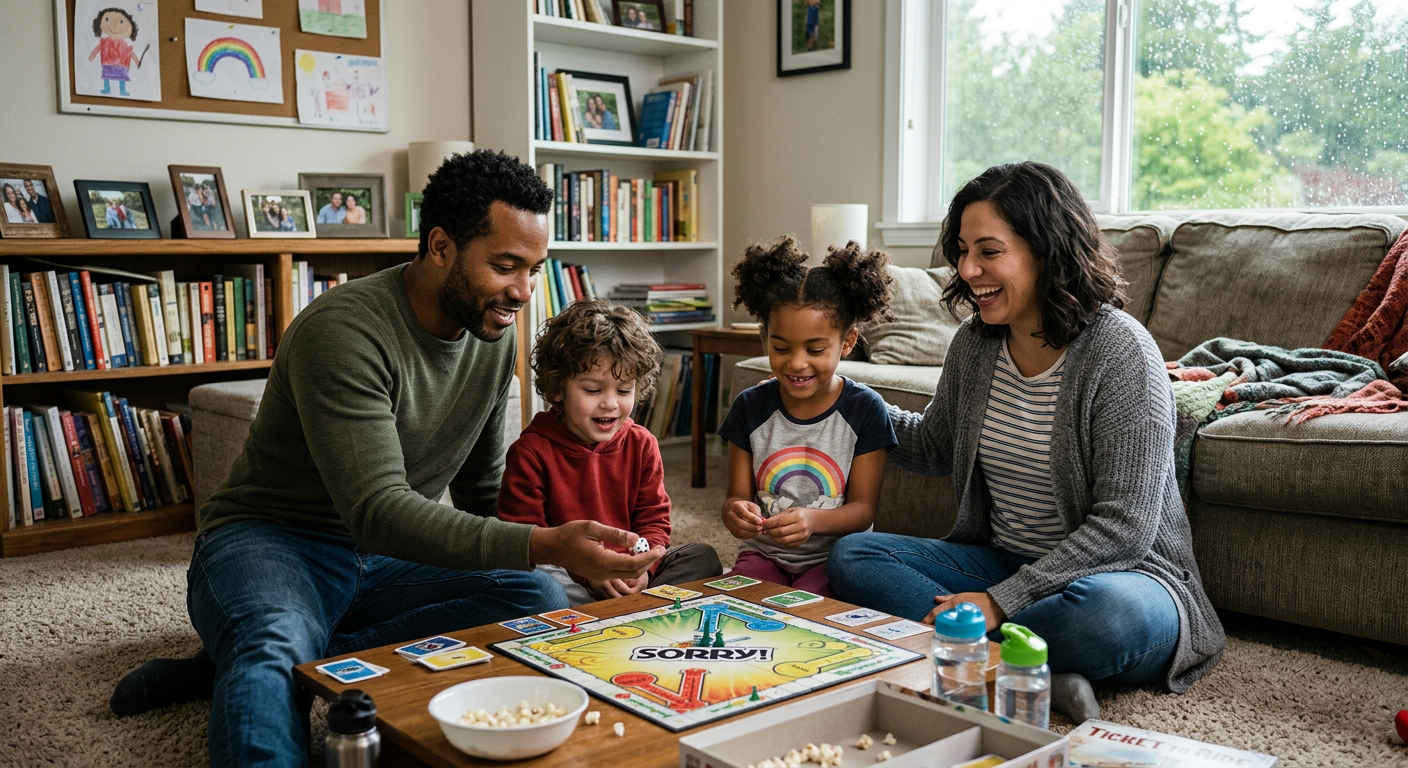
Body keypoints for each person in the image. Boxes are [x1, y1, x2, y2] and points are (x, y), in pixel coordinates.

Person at [108, 150, 665, 766]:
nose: (523, 292)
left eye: (534, 269)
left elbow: (483, 492)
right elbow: (377, 509)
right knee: (272, 640)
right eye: (506, 266)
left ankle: (268, 656)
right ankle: (264, 649)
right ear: (440, 246)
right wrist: (550, 543)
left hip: (387, 560)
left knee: (534, 597)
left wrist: (565, 560)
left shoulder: (490, 335)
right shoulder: (344, 331)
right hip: (273, 538)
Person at [826, 162, 1226, 723]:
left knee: (1105, 618)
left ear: (1047, 249)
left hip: (1130, 577)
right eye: (962, 250)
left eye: (988, 251)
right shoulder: (974, 343)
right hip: (1005, 560)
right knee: (855, 554)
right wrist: (848, 400)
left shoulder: (1120, 352)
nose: (966, 270)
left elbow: (1126, 527)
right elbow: (937, 446)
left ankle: (974, 657)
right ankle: (1031, 669)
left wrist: (999, 602)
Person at [498, 299, 722, 605]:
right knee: (536, 587)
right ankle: (632, 610)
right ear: (557, 387)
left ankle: (629, 606)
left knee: (703, 557)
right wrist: (587, 573)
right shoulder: (531, 452)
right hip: (569, 575)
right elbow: (525, 542)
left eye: (624, 390)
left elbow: (653, 522)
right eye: (593, 390)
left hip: (631, 573)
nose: (610, 403)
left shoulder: (642, 444)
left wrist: (643, 568)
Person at [718, 236, 896, 598]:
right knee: (737, 604)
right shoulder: (749, 407)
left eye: (815, 349)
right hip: (764, 554)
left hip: (832, 559)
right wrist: (737, 513)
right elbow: (734, 498)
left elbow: (863, 510)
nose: (796, 363)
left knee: (817, 613)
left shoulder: (865, 410)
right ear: (764, 336)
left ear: (847, 343)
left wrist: (813, 520)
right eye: (781, 347)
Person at [87, 7, 142, 97]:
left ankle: (122, 90)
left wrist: (137, 62)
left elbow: (131, 53)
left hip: (121, 64)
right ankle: (106, 89)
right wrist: (91, 57)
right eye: (107, 19)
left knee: (122, 77)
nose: (115, 26)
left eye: (121, 22)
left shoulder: (124, 45)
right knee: (106, 76)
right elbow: (97, 49)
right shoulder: (105, 42)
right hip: (108, 63)